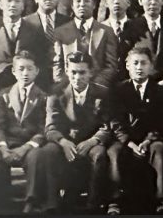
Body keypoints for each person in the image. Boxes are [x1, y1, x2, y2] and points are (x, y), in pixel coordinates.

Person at [0, 51, 51, 213]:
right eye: (21, 69)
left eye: (30, 69)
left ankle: (31, 201)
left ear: (37, 71)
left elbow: (43, 128)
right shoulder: (4, 94)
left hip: (30, 146)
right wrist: (3, 148)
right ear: (14, 72)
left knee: (37, 158)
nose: (25, 73)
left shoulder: (44, 97)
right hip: (7, 144)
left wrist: (26, 147)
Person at [107, 47, 163, 214]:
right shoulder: (118, 90)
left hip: (151, 137)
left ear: (151, 66)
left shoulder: (160, 91)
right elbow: (115, 121)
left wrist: (147, 141)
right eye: (135, 63)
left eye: (143, 63)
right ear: (127, 66)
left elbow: (162, 121)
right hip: (126, 138)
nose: (139, 67)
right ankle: (115, 200)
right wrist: (130, 143)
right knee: (113, 152)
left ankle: (161, 198)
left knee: (158, 150)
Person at [42, 52, 112, 214]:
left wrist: (92, 141)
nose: (77, 77)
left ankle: (93, 204)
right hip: (66, 142)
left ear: (91, 73)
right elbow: (50, 127)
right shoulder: (56, 93)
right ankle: (52, 204)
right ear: (67, 71)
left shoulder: (102, 93)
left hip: (91, 142)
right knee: (48, 151)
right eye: (73, 72)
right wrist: (63, 142)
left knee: (100, 154)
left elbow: (107, 126)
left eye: (82, 72)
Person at [53, 0, 120, 89]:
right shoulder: (60, 32)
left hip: (97, 89)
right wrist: (68, 86)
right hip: (68, 89)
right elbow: (56, 64)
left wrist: (95, 86)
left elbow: (111, 66)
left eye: (86, 1)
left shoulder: (107, 31)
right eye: (78, 1)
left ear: (94, 5)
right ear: (72, 5)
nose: (82, 4)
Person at [0, 0, 49, 89]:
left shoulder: (35, 30)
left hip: (27, 88)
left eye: (17, 1)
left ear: (23, 6)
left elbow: (42, 63)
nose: (13, 4)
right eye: (9, 0)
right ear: (1, 5)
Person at [102, 0, 136, 80]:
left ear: (128, 3)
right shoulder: (99, 29)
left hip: (130, 81)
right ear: (106, 3)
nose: (117, 2)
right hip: (106, 83)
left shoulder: (137, 27)